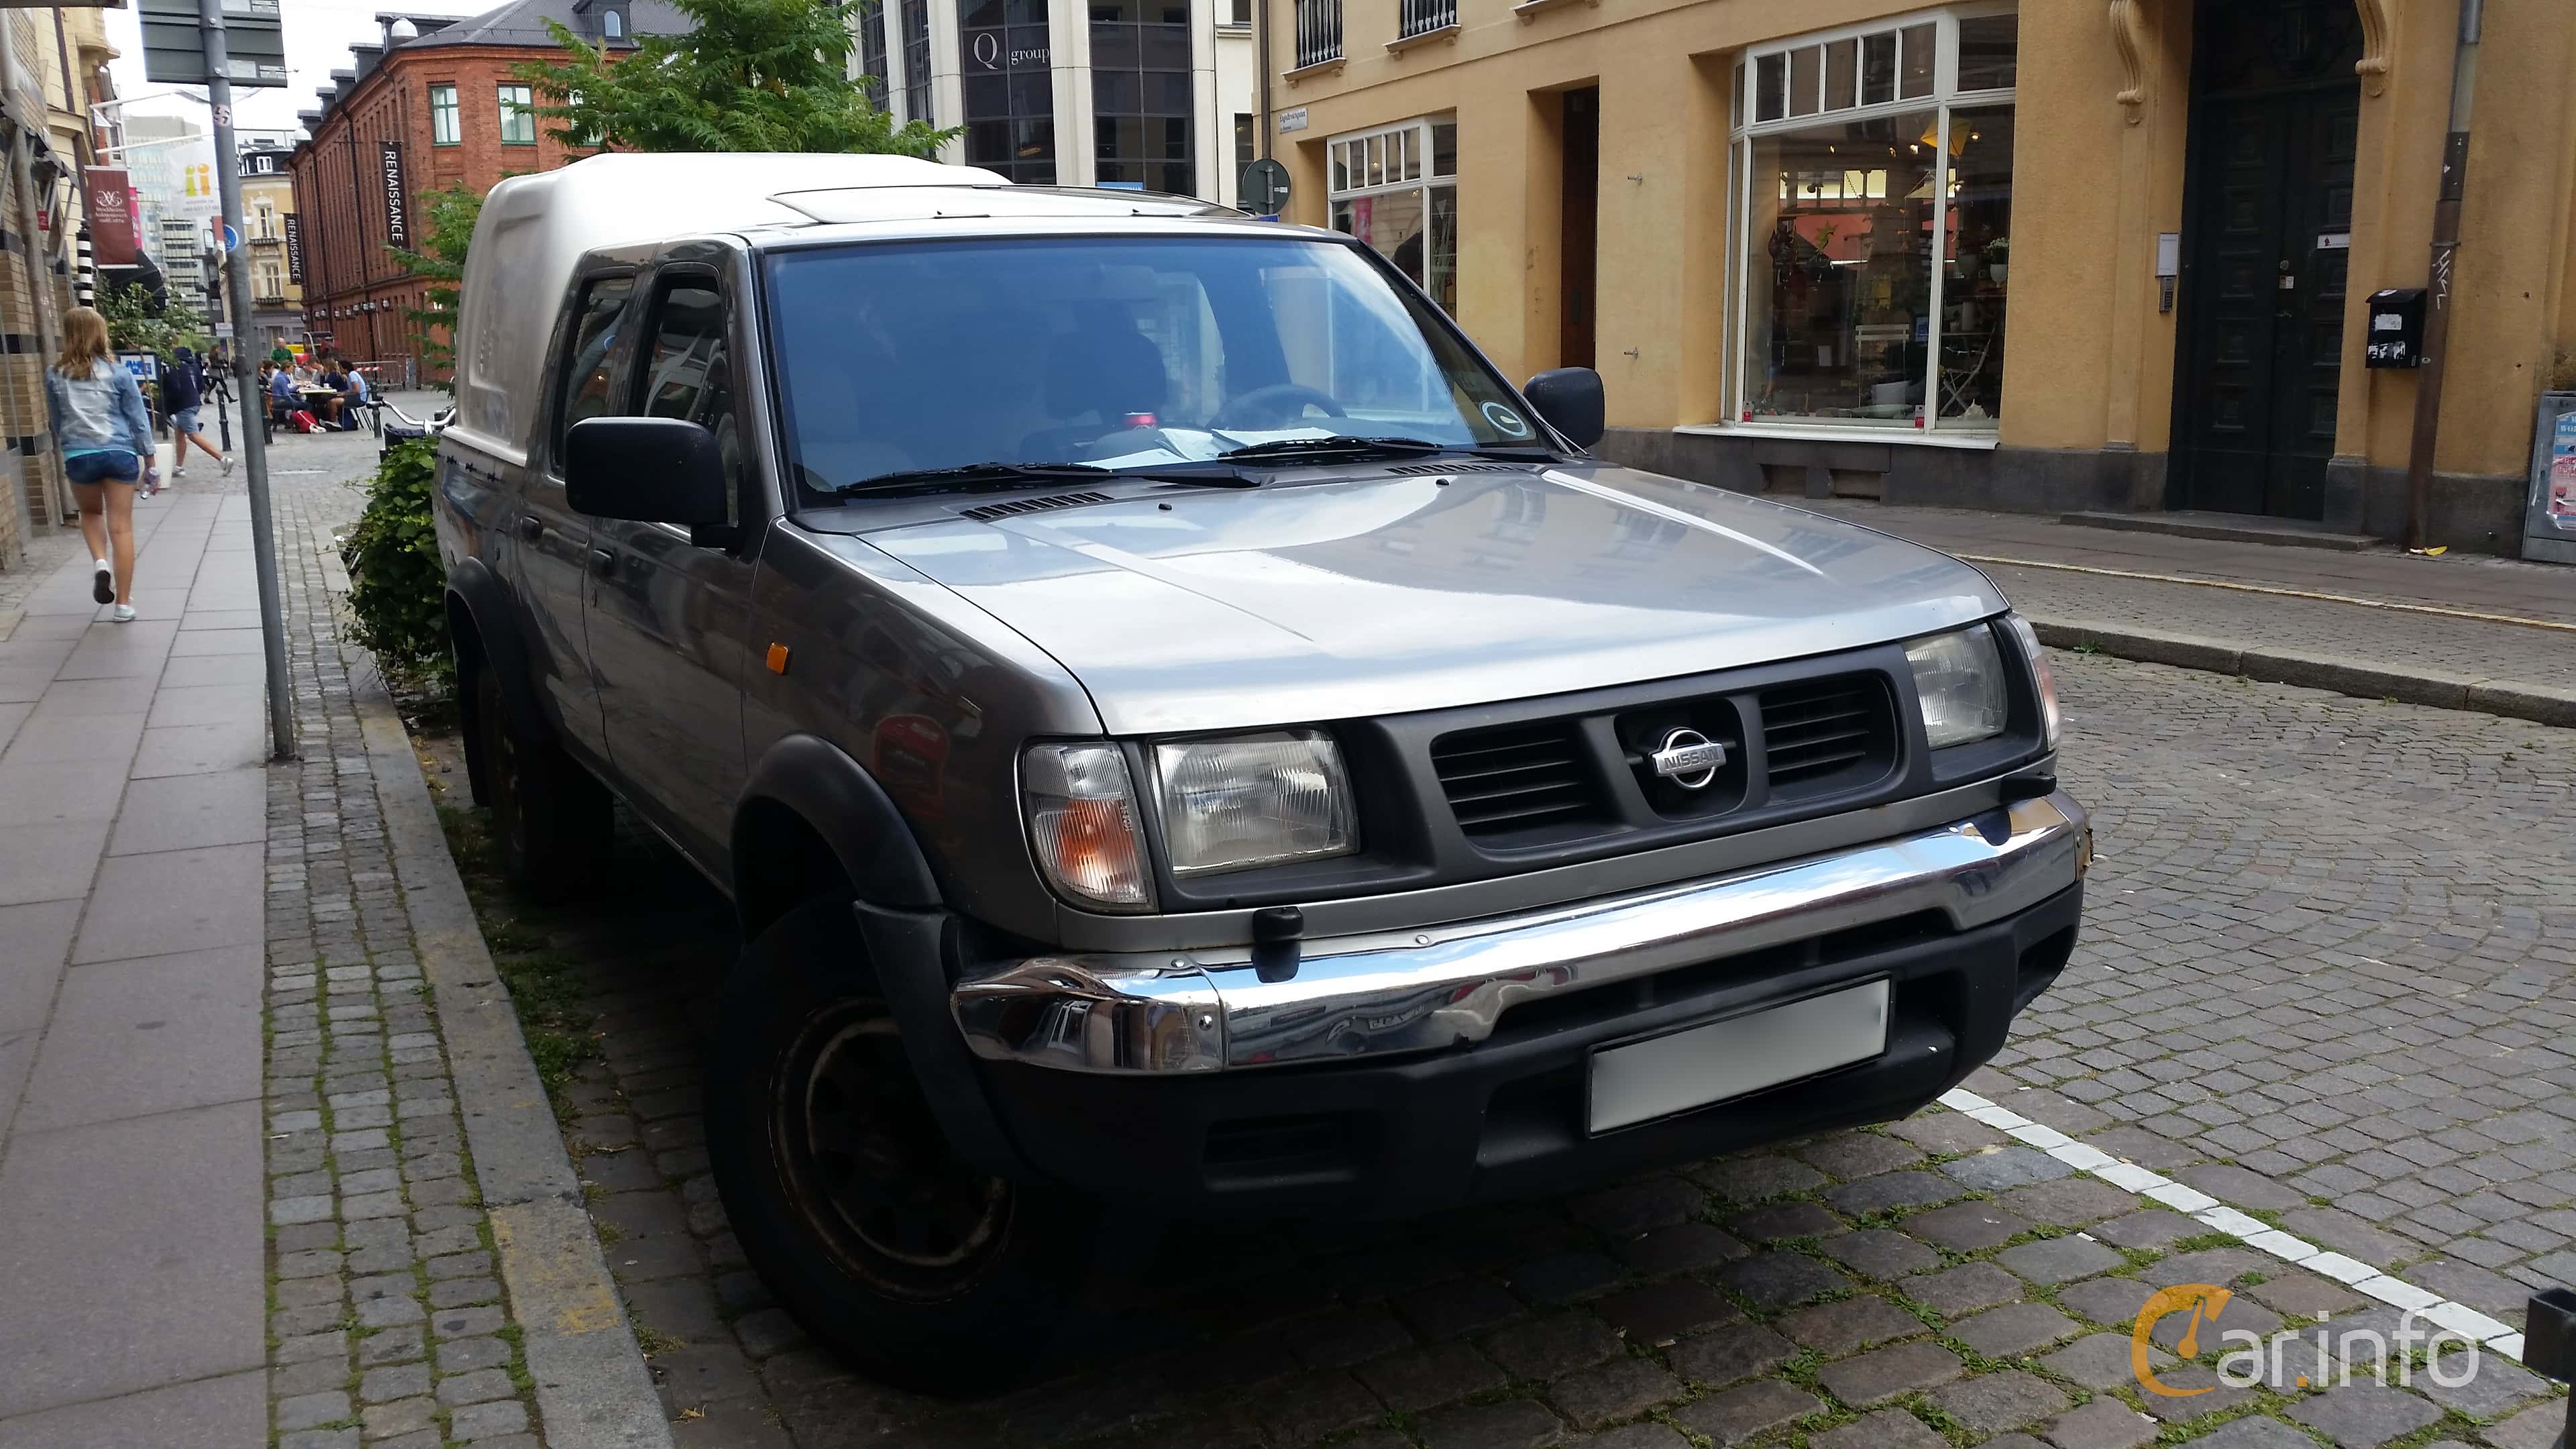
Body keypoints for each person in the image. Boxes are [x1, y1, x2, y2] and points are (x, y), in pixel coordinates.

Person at [44, 306, 155, 623]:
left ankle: (100, 564)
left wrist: (67, 446)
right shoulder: (118, 373)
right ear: (100, 333)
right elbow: (138, 420)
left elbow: (56, 419)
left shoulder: (54, 374)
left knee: (91, 514)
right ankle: (123, 604)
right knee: (121, 527)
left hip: (79, 455)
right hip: (119, 454)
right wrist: (150, 461)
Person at [162, 344, 233, 484]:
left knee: (194, 436)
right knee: (180, 434)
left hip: (182, 404)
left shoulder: (174, 366)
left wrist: (168, 404)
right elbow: (201, 384)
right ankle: (179, 467)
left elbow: (173, 387)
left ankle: (223, 459)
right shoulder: (193, 365)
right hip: (193, 402)